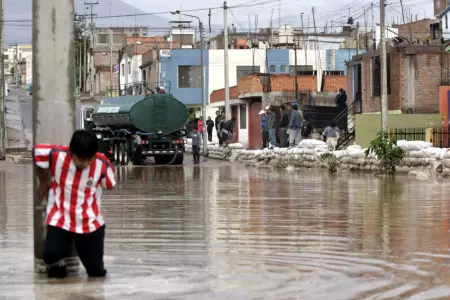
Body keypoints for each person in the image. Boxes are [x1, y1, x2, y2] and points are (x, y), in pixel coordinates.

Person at [33, 130, 116, 279]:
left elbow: (109, 184)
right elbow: (36, 153)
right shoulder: (57, 154)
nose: (84, 164)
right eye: (80, 159)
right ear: (71, 152)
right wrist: (43, 181)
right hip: (61, 219)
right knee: (51, 255)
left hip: (90, 223)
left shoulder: (102, 163)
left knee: (96, 272)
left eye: (89, 159)